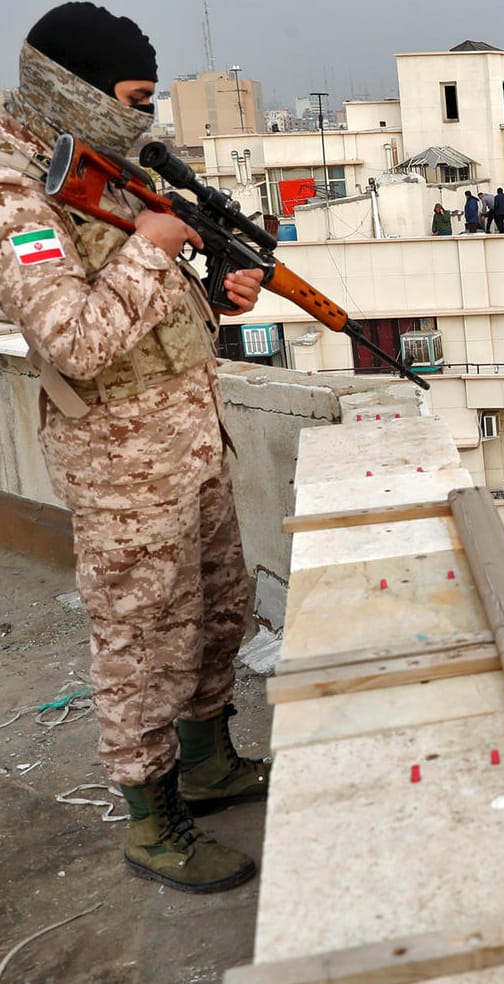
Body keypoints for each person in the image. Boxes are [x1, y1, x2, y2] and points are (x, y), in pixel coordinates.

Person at [0, 2, 269, 894]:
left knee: (217, 607)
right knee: (144, 639)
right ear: (72, 86)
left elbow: (151, 300)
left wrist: (220, 293)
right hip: (121, 458)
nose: (144, 119)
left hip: (188, 431)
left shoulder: (100, 159)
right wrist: (155, 251)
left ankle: (209, 763)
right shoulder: (15, 185)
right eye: (135, 98)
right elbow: (72, 337)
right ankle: (154, 823)